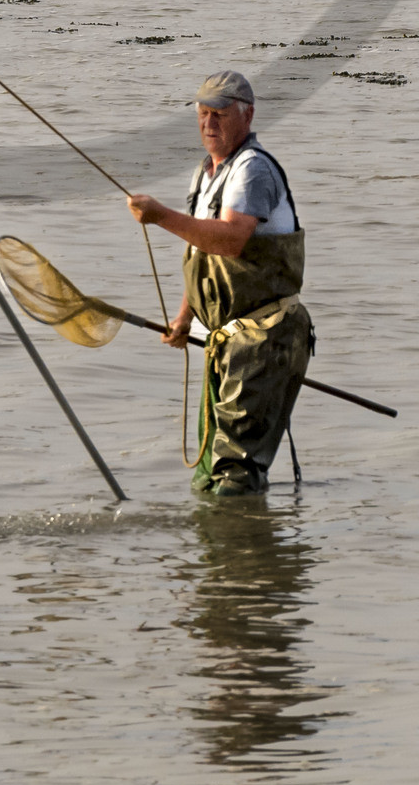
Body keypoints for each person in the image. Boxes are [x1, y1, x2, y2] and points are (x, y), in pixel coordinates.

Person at [127, 70, 312, 498]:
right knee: (212, 468)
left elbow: (229, 241)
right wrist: (183, 318)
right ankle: (218, 560)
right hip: (224, 342)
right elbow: (204, 257)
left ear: (246, 116)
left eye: (220, 114)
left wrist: (160, 216)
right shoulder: (206, 174)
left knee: (234, 475)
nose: (209, 124)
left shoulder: (252, 170)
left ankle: (243, 556)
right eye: (203, 114)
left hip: (264, 340)